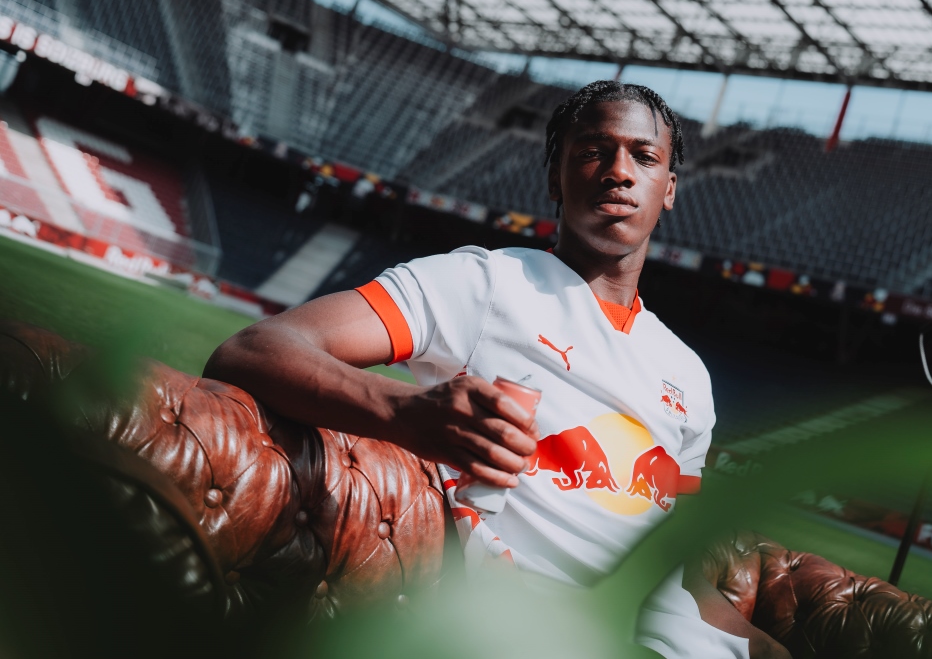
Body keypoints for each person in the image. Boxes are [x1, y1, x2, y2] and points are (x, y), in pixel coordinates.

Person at [205, 81, 790, 659]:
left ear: (668, 189)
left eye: (644, 156)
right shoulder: (483, 284)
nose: (619, 171)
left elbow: (674, 567)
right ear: (554, 179)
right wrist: (402, 412)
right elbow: (256, 348)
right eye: (591, 151)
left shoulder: (689, 375)